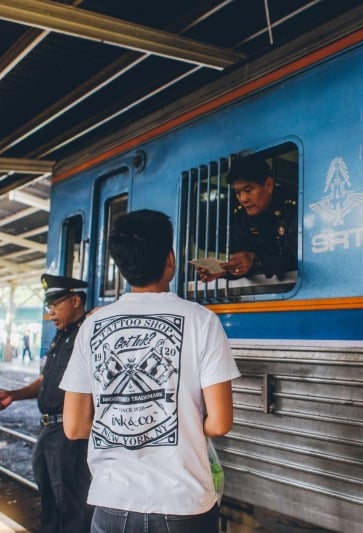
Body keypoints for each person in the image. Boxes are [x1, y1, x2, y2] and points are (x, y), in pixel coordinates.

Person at [61, 209, 240, 533]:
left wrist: (124, 426)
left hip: (112, 502)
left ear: (120, 265)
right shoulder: (202, 321)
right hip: (183, 505)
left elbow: (73, 427)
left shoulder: (92, 326)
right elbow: (220, 422)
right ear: (170, 259)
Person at [0, 274, 93, 533]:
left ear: (75, 300)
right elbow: (46, 379)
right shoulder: (61, 336)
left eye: (56, 305)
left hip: (69, 434)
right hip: (47, 431)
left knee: (73, 506)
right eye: (49, 307)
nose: (51, 313)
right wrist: (15, 394)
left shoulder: (88, 333)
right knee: (50, 502)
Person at [196, 154, 297, 282]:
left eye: (248, 190)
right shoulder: (242, 218)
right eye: (238, 192)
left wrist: (255, 260)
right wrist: (224, 271)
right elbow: (246, 263)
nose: (243, 199)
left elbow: (295, 258)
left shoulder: (293, 209)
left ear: (269, 184)